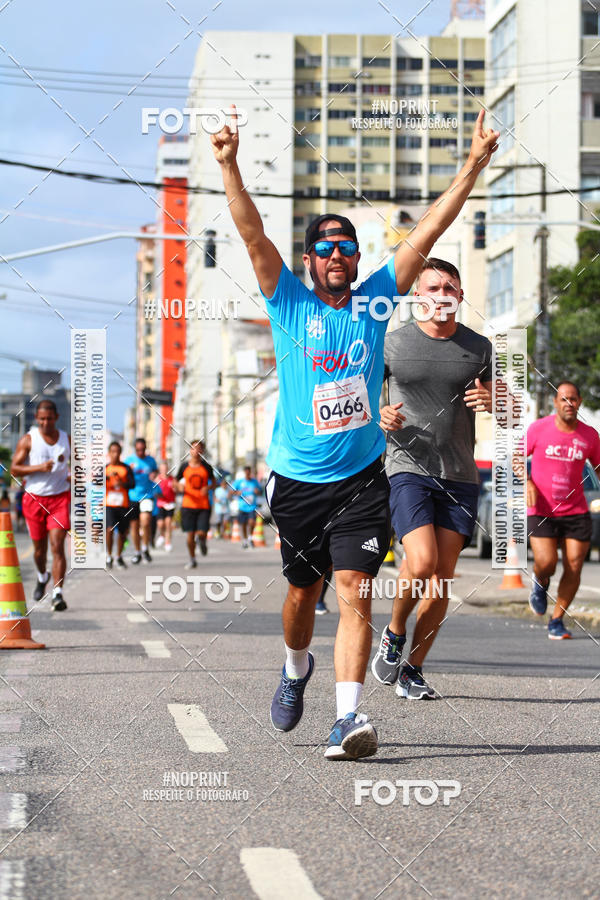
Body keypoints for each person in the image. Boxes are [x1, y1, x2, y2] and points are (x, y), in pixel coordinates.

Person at [210, 104, 498, 759]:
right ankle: (293, 667)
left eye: (346, 246)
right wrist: (228, 165)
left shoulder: (374, 301)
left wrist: (475, 164)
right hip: (298, 480)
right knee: (301, 593)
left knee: (355, 594)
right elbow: (253, 234)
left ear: (357, 258)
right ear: (311, 259)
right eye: (325, 247)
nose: (337, 254)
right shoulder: (287, 300)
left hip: (365, 478)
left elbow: (428, 230)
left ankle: (347, 719)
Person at [371, 258, 494, 698]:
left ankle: (413, 670)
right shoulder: (391, 345)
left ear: (460, 296)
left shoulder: (480, 348)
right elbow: (361, 398)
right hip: (408, 467)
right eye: (432, 286)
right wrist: (377, 416)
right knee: (419, 563)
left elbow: (510, 405)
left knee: (441, 578)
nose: (441, 293)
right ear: (417, 296)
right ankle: (393, 633)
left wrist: (495, 400)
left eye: (449, 287)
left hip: (460, 473)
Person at [527, 382, 600, 639]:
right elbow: (515, 457)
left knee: (575, 565)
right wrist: (526, 481)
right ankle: (540, 582)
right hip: (542, 509)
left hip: (576, 510)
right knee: (547, 562)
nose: (569, 403)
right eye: (564, 399)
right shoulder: (538, 429)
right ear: (556, 403)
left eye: (573, 399)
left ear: (579, 402)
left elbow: (599, 467)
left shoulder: (589, 435)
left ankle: (556, 620)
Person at [10, 400, 71, 611]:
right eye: (42, 419)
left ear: (57, 418)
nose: (46, 423)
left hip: (60, 498)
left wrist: (75, 477)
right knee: (39, 550)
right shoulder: (29, 439)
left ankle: (57, 593)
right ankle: (41, 575)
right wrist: (39, 467)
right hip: (34, 499)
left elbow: (81, 467)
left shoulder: (66, 439)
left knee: (57, 545)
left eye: (50, 419)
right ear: (37, 419)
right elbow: (14, 469)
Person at [176, 440, 214, 568]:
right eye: (193, 449)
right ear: (190, 451)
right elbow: (174, 482)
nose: (196, 452)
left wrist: (208, 488)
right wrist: (179, 487)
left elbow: (214, 483)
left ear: (202, 452)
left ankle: (202, 541)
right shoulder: (184, 467)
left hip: (203, 505)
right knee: (190, 535)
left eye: (199, 449)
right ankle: (192, 559)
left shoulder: (207, 467)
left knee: (202, 533)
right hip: (188, 505)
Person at [124, 437, 158, 564]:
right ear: (135, 449)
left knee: (146, 521)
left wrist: (154, 474)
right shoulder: (129, 461)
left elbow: (156, 471)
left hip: (147, 495)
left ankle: (145, 548)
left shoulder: (151, 461)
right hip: (132, 496)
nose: (140, 452)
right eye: (138, 450)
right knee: (134, 526)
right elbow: (124, 476)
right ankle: (138, 552)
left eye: (143, 450)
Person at [105, 441, 135, 569]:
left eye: (117, 451)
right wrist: (107, 477)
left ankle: (119, 556)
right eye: (113, 451)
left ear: (120, 453)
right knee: (110, 529)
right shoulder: (105, 469)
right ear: (109, 453)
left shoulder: (126, 468)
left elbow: (132, 484)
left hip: (123, 504)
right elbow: (96, 481)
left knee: (123, 533)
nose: (115, 454)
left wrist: (121, 483)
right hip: (109, 504)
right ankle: (109, 555)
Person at [231, 465, 261, 548]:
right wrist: (237, 492)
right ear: (244, 473)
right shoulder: (239, 482)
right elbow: (231, 492)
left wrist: (257, 491)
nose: (248, 474)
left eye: (249, 472)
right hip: (242, 507)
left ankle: (250, 538)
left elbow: (260, 492)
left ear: (250, 472)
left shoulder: (254, 482)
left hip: (252, 507)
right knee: (243, 524)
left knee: (252, 522)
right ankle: (244, 541)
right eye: (246, 473)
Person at [155, 462, 176, 552]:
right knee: (160, 524)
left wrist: (175, 488)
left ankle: (168, 542)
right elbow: (153, 490)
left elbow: (176, 489)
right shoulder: (157, 479)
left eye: (166, 468)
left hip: (170, 504)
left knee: (168, 523)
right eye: (162, 469)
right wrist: (157, 495)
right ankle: (162, 535)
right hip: (160, 504)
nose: (164, 470)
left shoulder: (172, 479)